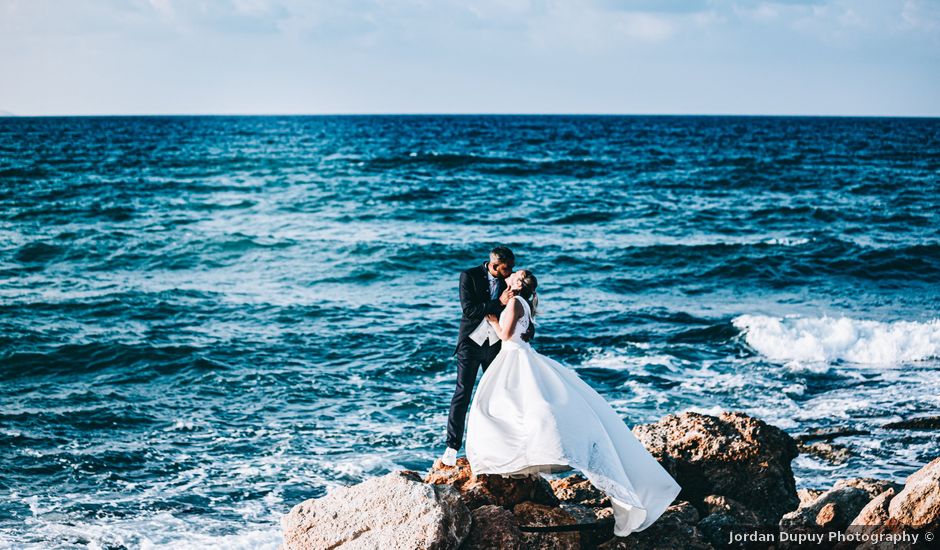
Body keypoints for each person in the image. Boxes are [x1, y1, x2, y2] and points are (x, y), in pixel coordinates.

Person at [465, 269, 682, 537]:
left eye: (515, 275)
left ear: (518, 284)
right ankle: (518, 461)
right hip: (521, 357)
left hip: (513, 358)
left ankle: (511, 460)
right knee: (520, 410)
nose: (510, 275)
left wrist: (492, 320)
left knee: (502, 409)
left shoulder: (514, 302)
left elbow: (507, 336)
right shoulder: (524, 303)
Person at [441, 246, 533, 466]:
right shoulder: (469, 276)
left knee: (498, 395)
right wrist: (498, 303)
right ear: (494, 265)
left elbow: (523, 306)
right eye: (506, 267)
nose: (510, 271)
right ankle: (452, 447)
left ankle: (500, 446)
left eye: (511, 267)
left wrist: (529, 328)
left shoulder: (509, 280)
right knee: (463, 393)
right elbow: (469, 310)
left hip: (496, 345)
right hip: (471, 344)